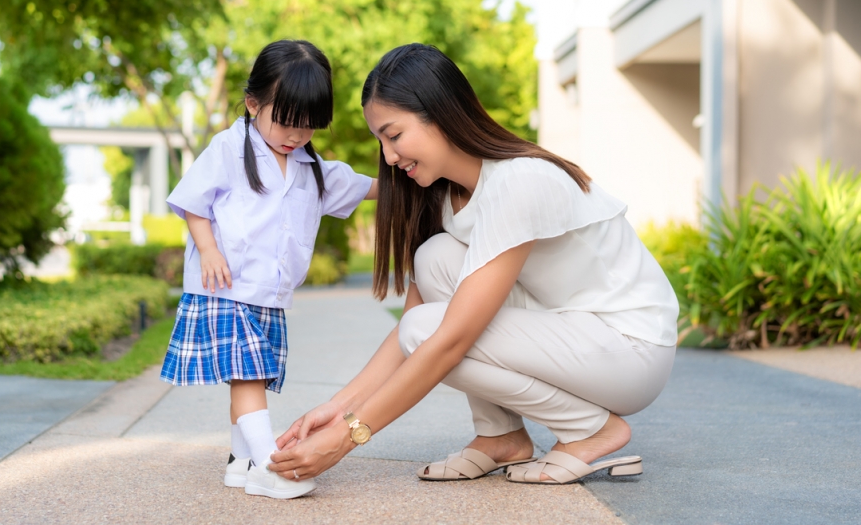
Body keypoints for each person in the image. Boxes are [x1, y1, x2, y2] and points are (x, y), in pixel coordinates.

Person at [269, 43, 679, 486]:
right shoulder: (447, 196)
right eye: (381, 141)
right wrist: (338, 409)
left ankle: (590, 430)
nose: (388, 157)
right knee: (435, 260)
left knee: (429, 330)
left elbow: (446, 339)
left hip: (629, 349)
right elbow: (410, 325)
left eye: (394, 134)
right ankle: (500, 435)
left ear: (440, 113)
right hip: (572, 333)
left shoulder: (520, 181)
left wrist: (348, 437)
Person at [159, 40, 377, 499]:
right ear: (253, 103)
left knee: (249, 375)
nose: (295, 136)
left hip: (268, 294)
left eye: (309, 127)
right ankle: (267, 466)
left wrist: (423, 176)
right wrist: (209, 250)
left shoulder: (309, 165)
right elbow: (193, 203)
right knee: (249, 376)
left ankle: (240, 462)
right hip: (225, 287)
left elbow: (363, 187)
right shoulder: (228, 148)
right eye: (285, 122)